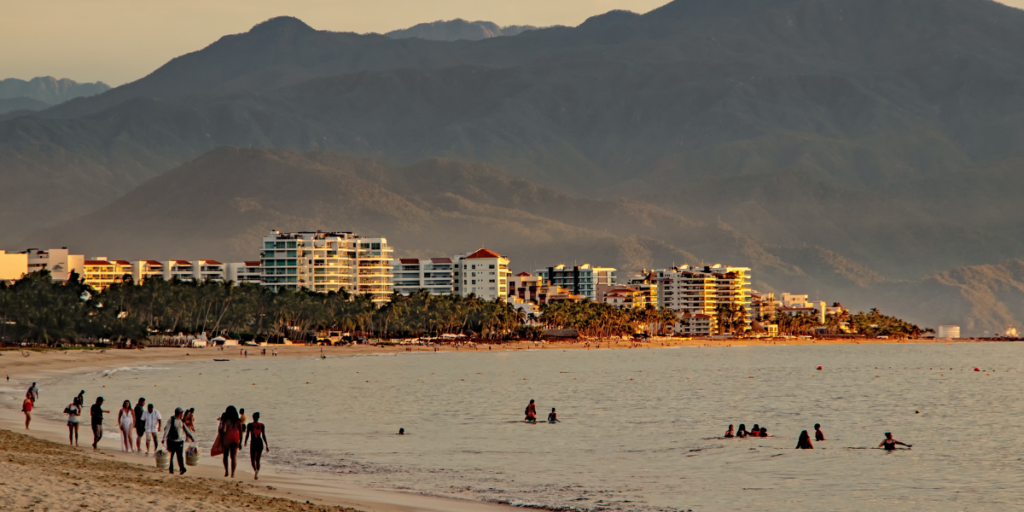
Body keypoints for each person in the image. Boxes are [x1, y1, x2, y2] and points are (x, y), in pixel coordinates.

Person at [162, 407, 195, 475]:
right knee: (172, 455)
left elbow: (186, 430)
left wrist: (191, 437)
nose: (183, 414)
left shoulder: (181, 421)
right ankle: (171, 469)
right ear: (180, 413)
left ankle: (182, 468)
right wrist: (164, 438)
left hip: (179, 441)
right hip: (172, 441)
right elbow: (167, 429)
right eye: (182, 413)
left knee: (180, 456)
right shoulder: (171, 420)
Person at [218, 405, 244, 478]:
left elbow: (224, 430)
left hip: (227, 437)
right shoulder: (238, 421)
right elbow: (241, 433)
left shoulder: (226, 420)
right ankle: (233, 473)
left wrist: (220, 430)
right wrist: (240, 443)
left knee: (225, 455)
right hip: (235, 437)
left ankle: (226, 471)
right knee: (233, 457)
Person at [244, 411, 270, 480]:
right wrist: (266, 445)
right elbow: (263, 435)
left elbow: (247, 434)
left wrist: (245, 442)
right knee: (258, 459)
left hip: (253, 442)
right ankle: (257, 472)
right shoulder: (262, 425)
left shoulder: (250, 425)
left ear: (253, 417)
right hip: (259, 442)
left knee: (253, 460)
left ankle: (255, 471)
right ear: (258, 418)